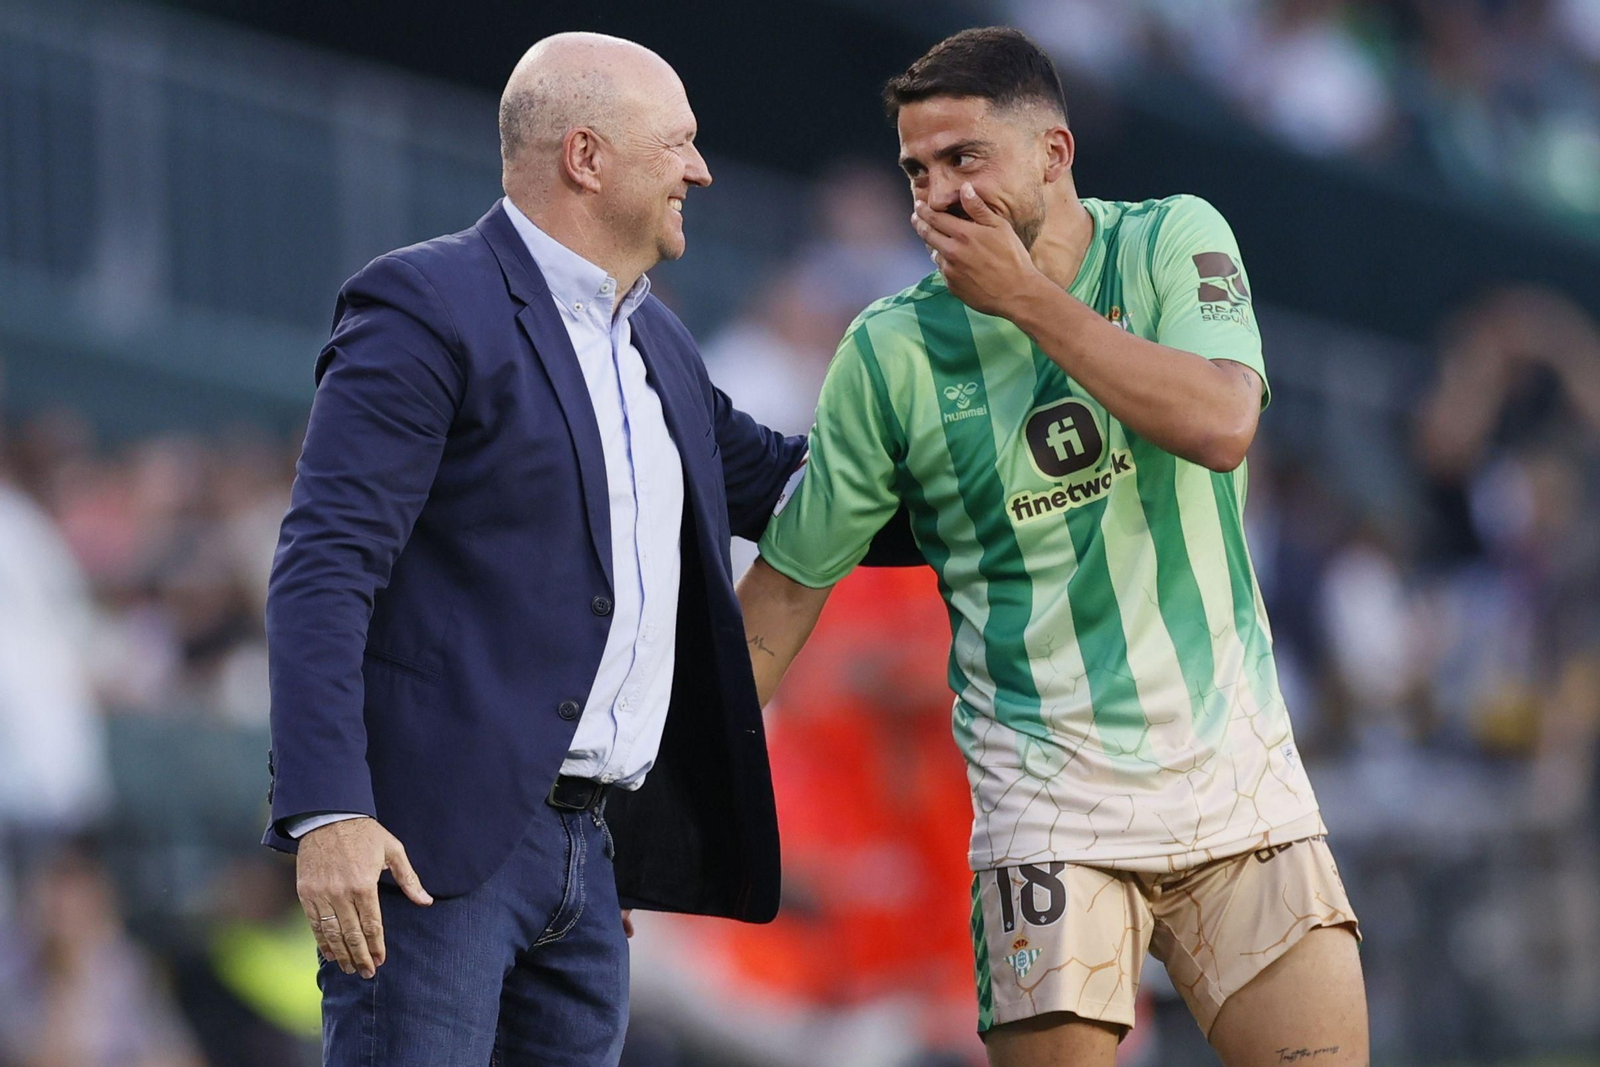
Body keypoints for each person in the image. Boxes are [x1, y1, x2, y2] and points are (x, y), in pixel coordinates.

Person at [736, 27, 1367, 1067]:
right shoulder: (889, 349)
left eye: (964, 159)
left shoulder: (1171, 240)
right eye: (917, 170)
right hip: (1047, 817)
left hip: (1236, 785)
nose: (937, 193)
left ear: (1053, 155)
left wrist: (1025, 299)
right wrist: (663, 801)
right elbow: (791, 589)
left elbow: (1219, 422)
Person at [263, 32, 813, 1066]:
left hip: (592, 856)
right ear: (587, 156)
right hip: (432, 849)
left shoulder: (662, 343)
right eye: (680, 144)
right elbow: (325, 562)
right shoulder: (425, 302)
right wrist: (327, 807)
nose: (699, 170)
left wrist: (990, 462)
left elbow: (797, 491)